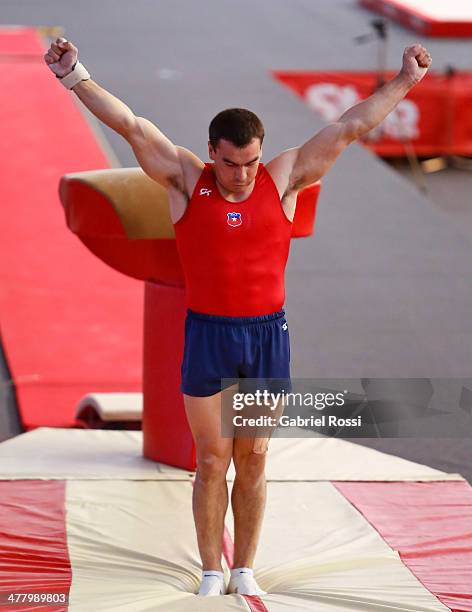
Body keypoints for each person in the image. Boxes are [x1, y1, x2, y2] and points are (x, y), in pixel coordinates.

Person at [44, 38, 432, 597]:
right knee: (211, 458)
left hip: (264, 337)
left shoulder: (285, 177)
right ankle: (208, 570)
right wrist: (74, 74)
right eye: (230, 163)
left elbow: (348, 126)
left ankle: (244, 566)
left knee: (252, 456)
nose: (243, 175)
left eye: (251, 162)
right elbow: (130, 125)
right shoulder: (185, 179)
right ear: (212, 151)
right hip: (209, 335)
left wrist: (405, 81)